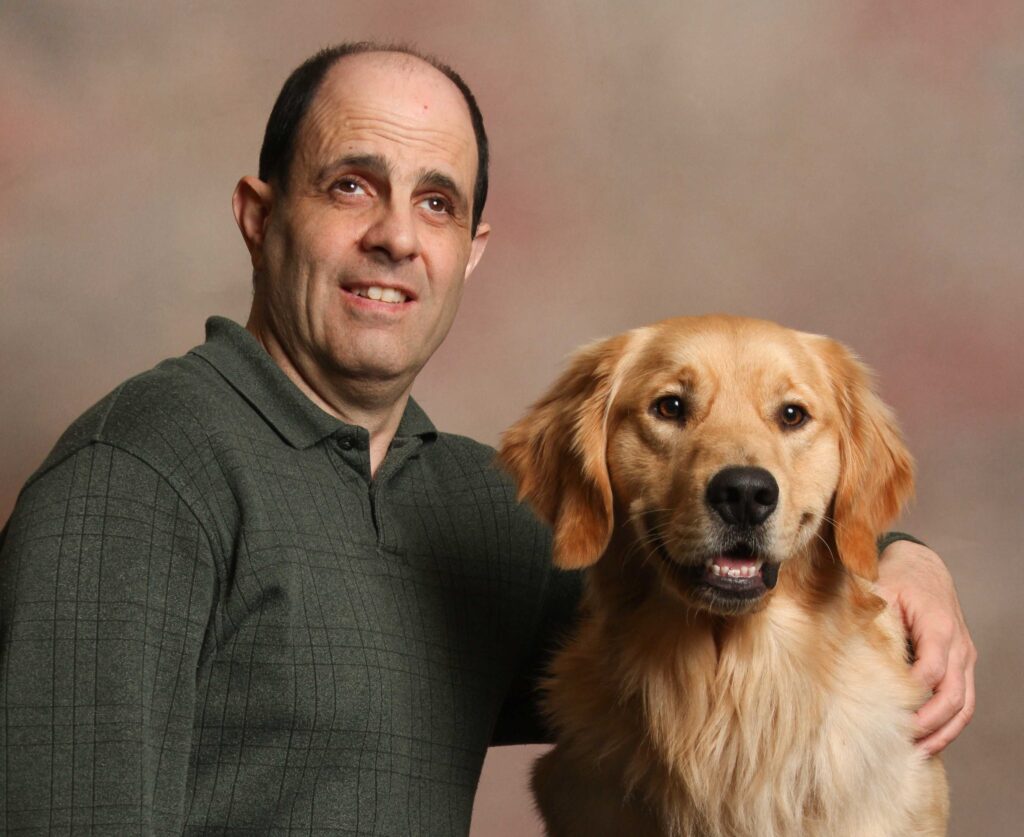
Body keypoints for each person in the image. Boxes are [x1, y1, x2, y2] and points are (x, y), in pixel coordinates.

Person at [0, 42, 976, 834]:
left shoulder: (474, 505)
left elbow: (701, 587)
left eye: (436, 202)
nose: (395, 236)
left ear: (469, 253)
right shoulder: (137, 478)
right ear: (259, 219)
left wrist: (904, 559)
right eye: (349, 186)